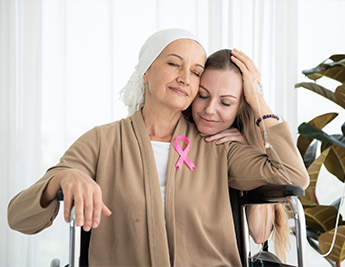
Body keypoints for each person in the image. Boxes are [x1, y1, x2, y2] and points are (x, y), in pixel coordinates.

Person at [7, 29, 308, 267]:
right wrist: (62, 179)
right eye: (174, 63)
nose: (183, 77)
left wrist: (257, 100)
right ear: (146, 72)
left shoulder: (218, 146)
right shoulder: (102, 141)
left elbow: (293, 177)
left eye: (194, 71)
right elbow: (18, 217)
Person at [186, 48, 291, 262]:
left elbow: (259, 233)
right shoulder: (178, 135)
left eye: (225, 103)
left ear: (241, 106)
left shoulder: (243, 144)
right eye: (203, 95)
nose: (209, 109)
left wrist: (253, 150)